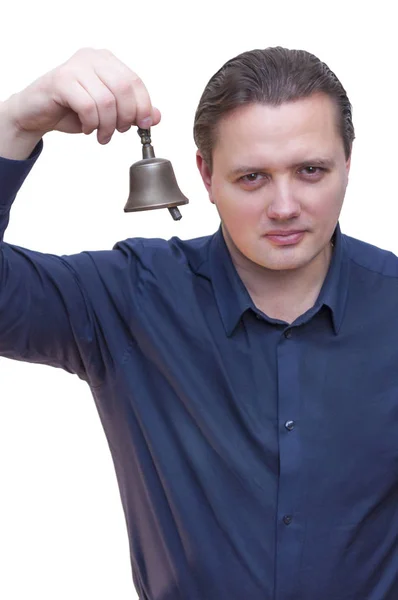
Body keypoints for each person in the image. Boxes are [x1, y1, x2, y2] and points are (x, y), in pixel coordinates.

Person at [0, 45, 396, 600]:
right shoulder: (127, 298)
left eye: (310, 171)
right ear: (205, 176)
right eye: (253, 177)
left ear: (348, 163)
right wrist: (16, 122)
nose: (284, 206)